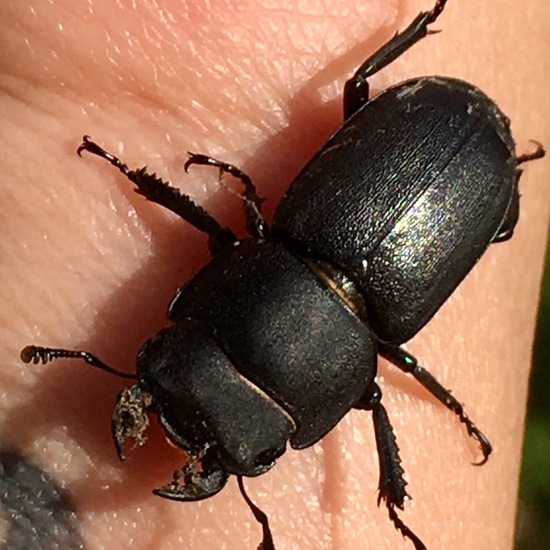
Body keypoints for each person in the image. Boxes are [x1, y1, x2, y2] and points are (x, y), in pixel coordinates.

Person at [2, 1, 549, 548]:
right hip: (461, 157)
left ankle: (436, 37)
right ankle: (488, 130)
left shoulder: (303, 249)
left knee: (377, 109)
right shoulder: (305, 255)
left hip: (442, 144)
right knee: (366, 98)